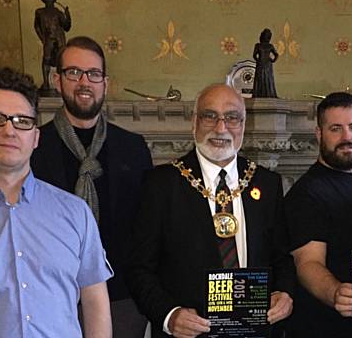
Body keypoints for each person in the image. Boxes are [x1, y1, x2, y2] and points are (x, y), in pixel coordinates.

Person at [126, 84, 294, 338]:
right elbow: (138, 268)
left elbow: (281, 258)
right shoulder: (161, 184)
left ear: (244, 124)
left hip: (254, 331)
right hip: (188, 334)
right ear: (194, 121)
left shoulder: (266, 183)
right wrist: (169, 315)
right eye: (209, 116)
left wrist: (284, 293)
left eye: (232, 118)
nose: (221, 128)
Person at [0, 67, 112, 337]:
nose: (9, 130)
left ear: (35, 137)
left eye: (22, 121)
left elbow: (95, 302)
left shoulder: (75, 212)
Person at [31, 36, 153, 337]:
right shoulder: (33, 146)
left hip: (122, 298)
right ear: (57, 80)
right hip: (52, 296)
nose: (84, 82)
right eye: (74, 73)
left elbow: (147, 228)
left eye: (93, 74)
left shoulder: (133, 148)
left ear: (105, 83)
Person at [286, 92, 352, 337]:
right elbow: (307, 263)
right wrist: (334, 293)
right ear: (319, 134)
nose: (347, 137)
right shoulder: (308, 193)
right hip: (329, 326)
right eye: (335, 129)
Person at [34, 0, 71, 92]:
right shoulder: (40, 12)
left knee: (61, 60)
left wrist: (67, 16)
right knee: (46, 59)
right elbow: (36, 26)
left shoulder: (58, 12)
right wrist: (42, 38)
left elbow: (66, 27)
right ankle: (46, 83)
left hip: (59, 38)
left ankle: (62, 82)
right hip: (48, 38)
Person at [252, 28, 279, 98]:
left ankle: (266, 94)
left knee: (266, 78)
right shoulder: (259, 45)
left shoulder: (268, 46)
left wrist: (272, 60)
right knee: (263, 78)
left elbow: (276, 54)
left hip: (265, 63)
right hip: (263, 63)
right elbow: (254, 55)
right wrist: (271, 60)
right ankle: (262, 94)